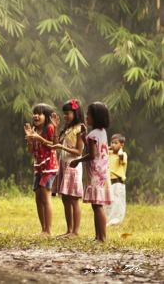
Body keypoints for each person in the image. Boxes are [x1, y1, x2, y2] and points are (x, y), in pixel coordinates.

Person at [70, 102, 111, 242]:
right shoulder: (102, 133)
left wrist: (77, 160)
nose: (86, 117)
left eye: (89, 114)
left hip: (95, 174)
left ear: (96, 117)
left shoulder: (93, 134)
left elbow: (92, 155)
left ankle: (102, 238)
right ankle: (98, 236)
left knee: (98, 206)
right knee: (97, 205)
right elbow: (95, 149)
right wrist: (83, 138)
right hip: (102, 173)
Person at [50, 99, 85, 238]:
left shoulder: (80, 128)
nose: (65, 116)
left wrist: (62, 147)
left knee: (73, 199)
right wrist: (56, 127)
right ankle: (69, 230)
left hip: (73, 165)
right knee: (65, 198)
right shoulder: (67, 128)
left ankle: (75, 232)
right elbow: (55, 143)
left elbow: (79, 152)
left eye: (68, 114)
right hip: (63, 165)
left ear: (75, 113)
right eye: (64, 114)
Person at [24, 103, 58, 235]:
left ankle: (48, 231)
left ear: (47, 116)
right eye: (35, 113)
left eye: (40, 113)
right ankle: (43, 229)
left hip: (49, 167)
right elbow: (30, 151)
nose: (36, 116)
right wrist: (30, 139)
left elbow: (53, 145)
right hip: (39, 167)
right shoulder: (34, 129)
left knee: (45, 197)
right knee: (38, 198)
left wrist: (39, 138)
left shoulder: (49, 128)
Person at [106, 133, 128, 226]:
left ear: (122, 144)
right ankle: (108, 221)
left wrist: (119, 151)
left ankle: (116, 222)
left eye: (116, 143)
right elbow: (99, 152)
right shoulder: (109, 153)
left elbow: (121, 157)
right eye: (112, 143)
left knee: (117, 204)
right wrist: (107, 148)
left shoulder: (123, 154)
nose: (113, 145)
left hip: (118, 183)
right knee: (108, 204)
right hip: (108, 183)